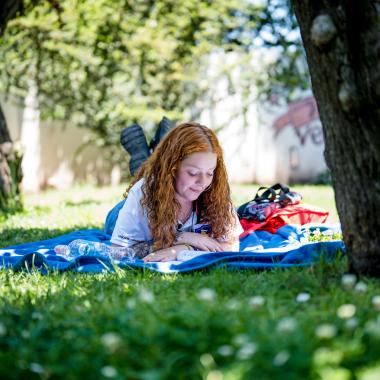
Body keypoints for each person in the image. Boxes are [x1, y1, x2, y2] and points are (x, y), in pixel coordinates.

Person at [111, 122, 243, 262]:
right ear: (172, 168)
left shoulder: (215, 188)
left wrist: (185, 248)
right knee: (116, 216)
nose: (203, 182)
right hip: (124, 210)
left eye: (209, 173)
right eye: (193, 173)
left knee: (152, 166)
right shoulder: (142, 193)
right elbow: (118, 251)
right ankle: (148, 159)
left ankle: (152, 154)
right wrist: (181, 238)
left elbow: (232, 245)